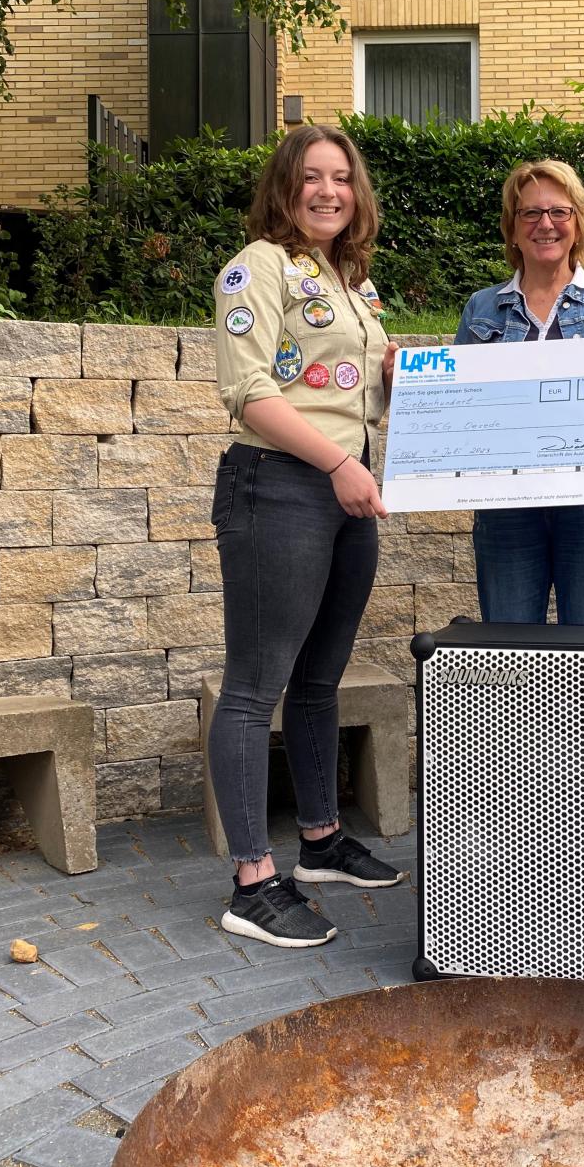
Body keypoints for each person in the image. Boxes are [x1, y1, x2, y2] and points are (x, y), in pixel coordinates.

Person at [208, 123, 404, 949]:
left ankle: (319, 839)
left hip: (342, 488)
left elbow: (359, 391)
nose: (329, 190)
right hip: (283, 486)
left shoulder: (348, 280)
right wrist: (338, 464)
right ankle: (252, 880)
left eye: (342, 178)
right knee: (257, 685)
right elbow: (250, 393)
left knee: (321, 676)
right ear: (284, 188)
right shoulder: (257, 265)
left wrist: (406, 378)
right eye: (311, 177)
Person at [455, 159, 584, 625]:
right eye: (530, 214)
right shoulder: (481, 308)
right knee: (510, 650)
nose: (545, 224)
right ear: (513, 229)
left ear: (577, 224)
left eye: (559, 212)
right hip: (507, 508)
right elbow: (460, 409)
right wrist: (416, 385)